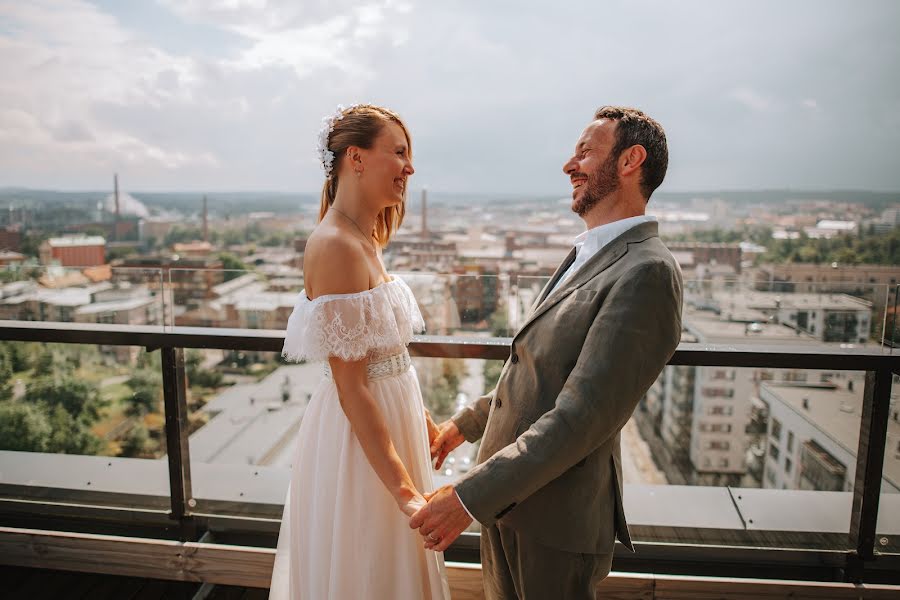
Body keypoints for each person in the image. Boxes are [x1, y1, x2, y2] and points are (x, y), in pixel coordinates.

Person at [411, 106, 684, 600]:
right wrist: (464, 427)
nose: (568, 165)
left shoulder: (647, 272)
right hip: (509, 506)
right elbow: (539, 367)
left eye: (585, 152)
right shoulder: (591, 253)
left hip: (553, 525)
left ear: (631, 160)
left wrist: (469, 498)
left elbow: (581, 416)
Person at [270, 104, 450, 599]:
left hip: (392, 424)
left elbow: (380, 354)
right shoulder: (337, 247)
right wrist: (405, 494)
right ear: (357, 157)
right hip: (361, 443)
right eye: (398, 153)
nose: (410, 169)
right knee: (371, 568)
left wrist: (422, 416)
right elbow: (352, 388)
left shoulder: (364, 238)